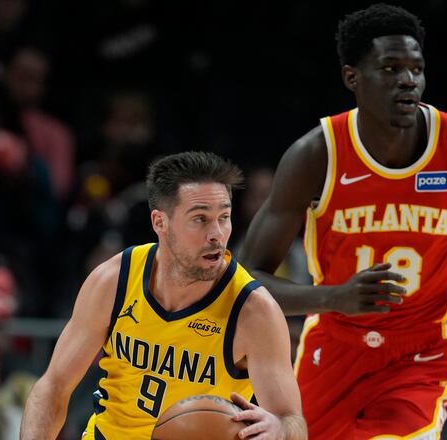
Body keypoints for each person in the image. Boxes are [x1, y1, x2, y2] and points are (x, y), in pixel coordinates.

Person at [241, 3, 447, 438]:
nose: (408, 80)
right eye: (390, 68)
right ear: (352, 77)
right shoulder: (317, 155)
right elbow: (249, 282)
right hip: (335, 345)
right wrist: (334, 297)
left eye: (416, 68)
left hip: (421, 350)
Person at [21, 151, 306, 439]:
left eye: (224, 217)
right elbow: (54, 386)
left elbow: (293, 421)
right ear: (160, 222)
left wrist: (280, 429)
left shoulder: (254, 310)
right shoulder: (114, 279)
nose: (217, 234)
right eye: (200, 219)